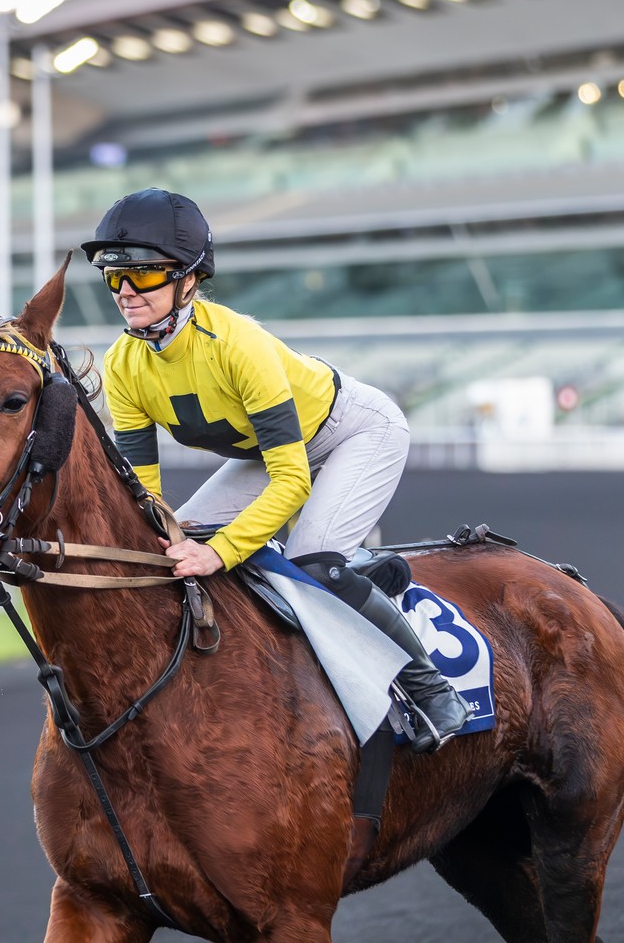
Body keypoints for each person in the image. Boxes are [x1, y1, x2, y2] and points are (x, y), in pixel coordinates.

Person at [82, 188, 469, 751]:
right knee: (172, 541)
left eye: (142, 274)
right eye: (114, 275)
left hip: (356, 431)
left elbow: (292, 482)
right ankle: (360, 569)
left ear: (189, 279)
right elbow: (146, 493)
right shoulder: (122, 364)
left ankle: (430, 687)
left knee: (313, 561)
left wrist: (219, 552)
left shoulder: (239, 343)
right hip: (272, 453)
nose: (125, 291)